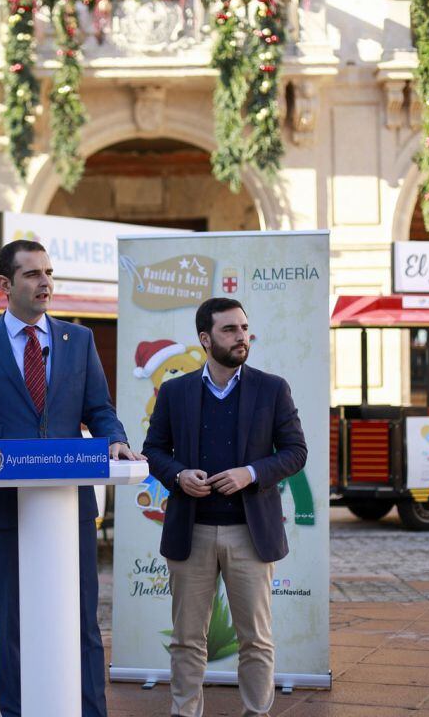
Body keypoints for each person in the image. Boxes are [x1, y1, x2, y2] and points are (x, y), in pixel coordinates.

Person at [0, 239, 143, 717]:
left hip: (68, 505)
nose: (45, 282)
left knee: (82, 622)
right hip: (6, 506)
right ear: (5, 284)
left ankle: (91, 712)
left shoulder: (80, 340)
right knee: (11, 624)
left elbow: (100, 410)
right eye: (32, 274)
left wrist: (114, 439)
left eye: (49, 272)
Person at [142, 297, 307, 717]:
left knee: (255, 639)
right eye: (230, 330)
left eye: (244, 328)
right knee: (186, 639)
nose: (241, 337)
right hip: (190, 531)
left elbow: (295, 452)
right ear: (205, 338)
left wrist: (249, 473)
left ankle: (256, 712)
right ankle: (185, 712)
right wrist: (179, 476)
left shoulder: (273, 388)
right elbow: (154, 450)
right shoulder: (175, 391)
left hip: (250, 534)